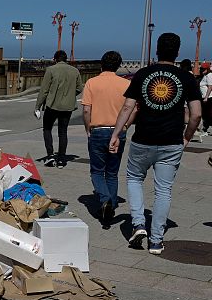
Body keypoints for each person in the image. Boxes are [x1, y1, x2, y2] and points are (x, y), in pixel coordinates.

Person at [109, 33, 202, 254]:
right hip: (171, 142)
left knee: (134, 179)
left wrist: (116, 133)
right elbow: (196, 114)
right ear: (178, 52)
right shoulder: (187, 78)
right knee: (163, 190)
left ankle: (139, 223)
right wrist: (186, 137)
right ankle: (156, 240)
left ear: (157, 51)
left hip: (143, 140)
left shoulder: (142, 75)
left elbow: (127, 107)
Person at [81, 51, 131, 222]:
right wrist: (125, 126)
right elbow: (134, 109)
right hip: (118, 131)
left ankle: (105, 199)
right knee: (112, 171)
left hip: (99, 130)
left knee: (97, 170)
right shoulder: (125, 84)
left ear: (101, 64)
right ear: (118, 66)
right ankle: (112, 203)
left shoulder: (92, 83)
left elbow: (86, 110)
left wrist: (88, 128)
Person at [35, 50, 84, 168]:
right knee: (63, 132)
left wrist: (37, 106)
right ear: (66, 59)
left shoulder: (51, 70)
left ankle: (50, 155)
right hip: (67, 106)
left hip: (52, 105)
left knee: (47, 129)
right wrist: (70, 95)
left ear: (55, 59)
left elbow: (44, 90)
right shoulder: (75, 71)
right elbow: (79, 88)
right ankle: (62, 159)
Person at [199, 62, 212, 133]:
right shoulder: (205, 75)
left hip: (208, 97)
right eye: (201, 68)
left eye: (203, 69)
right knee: (204, 113)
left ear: (207, 69)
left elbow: (210, 86)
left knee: (206, 114)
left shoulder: (209, 75)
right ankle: (204, 128)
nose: (201, 70)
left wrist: (206, 97)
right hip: (203, 97)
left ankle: (205, 130)